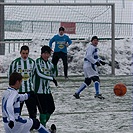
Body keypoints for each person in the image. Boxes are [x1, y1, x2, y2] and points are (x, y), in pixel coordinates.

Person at [8, 45, 37, 119]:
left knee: (32, 112)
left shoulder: (32, 62)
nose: (25, 55)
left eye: (26, 53)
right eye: (23, 53)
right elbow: (10, 75)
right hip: (18, 92)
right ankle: (16, 128)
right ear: (20, 53)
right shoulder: (15, 63)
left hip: (29, 91)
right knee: (17, 112)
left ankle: (32, 127)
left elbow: (34, 75)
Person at [33, 45, 57, 132]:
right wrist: (52, 79)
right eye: (45, 53)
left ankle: (40, 127)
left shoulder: (49, 64)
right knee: (43, 110)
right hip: (38, 91)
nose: (46, 55)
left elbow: (54, 74)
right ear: (41, 53)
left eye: (48, 54)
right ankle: (42, 129)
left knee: (51, 108)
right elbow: (40, 74)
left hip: (47, 90)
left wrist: (55, 65)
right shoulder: (37, 62)